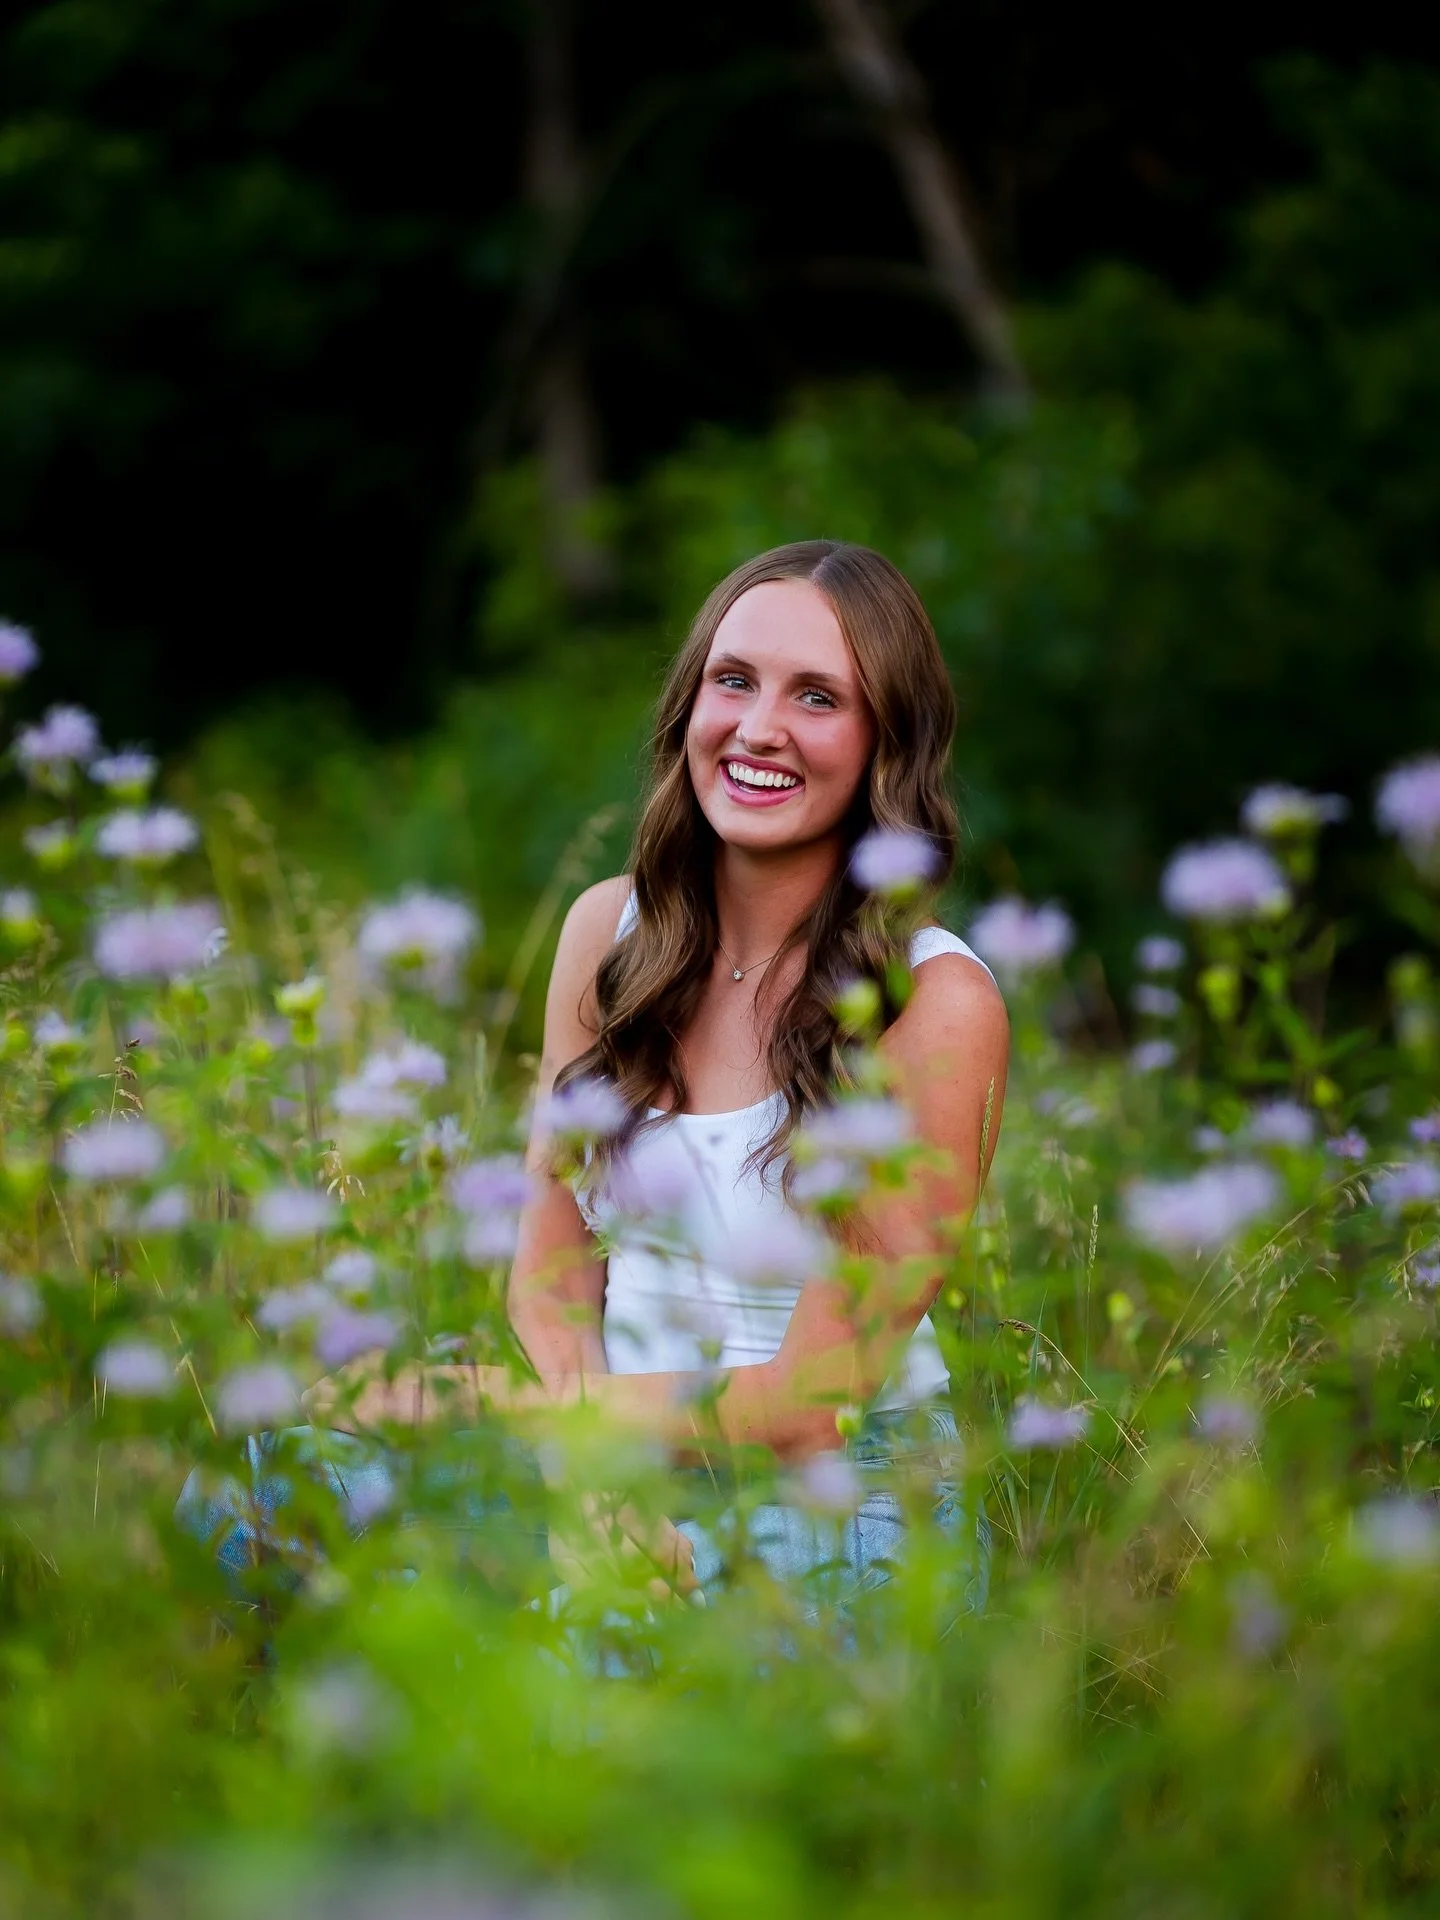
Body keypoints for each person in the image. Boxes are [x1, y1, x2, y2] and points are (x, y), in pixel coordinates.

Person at [310, 539, 1009, 1616]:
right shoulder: (610, 933)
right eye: (735, 681)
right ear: (689, 707)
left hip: (833, 1498)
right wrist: (588, 1470)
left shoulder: (933, 1003)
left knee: (592, 1656)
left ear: (886, 742)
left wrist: (494, 1410)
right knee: (277, 1499)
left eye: (817, 696)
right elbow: (548, 1275)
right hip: (601, 1448)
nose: (760, 727)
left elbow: (813, 1400)